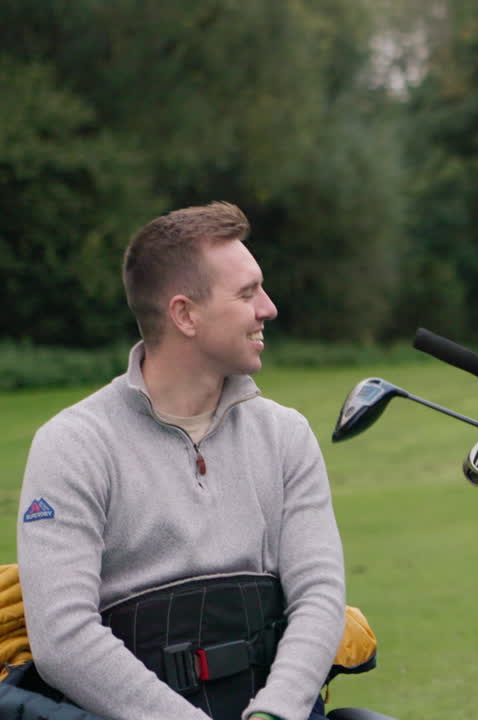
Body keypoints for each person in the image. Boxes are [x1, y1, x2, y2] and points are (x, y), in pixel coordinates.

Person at [17, 202, 346, 720]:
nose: (269, 308)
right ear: (184, 314)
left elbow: (320, 596)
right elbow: (62, 638)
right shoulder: (73, 445)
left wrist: (276, 712)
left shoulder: (285, 435)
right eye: (247, 293)